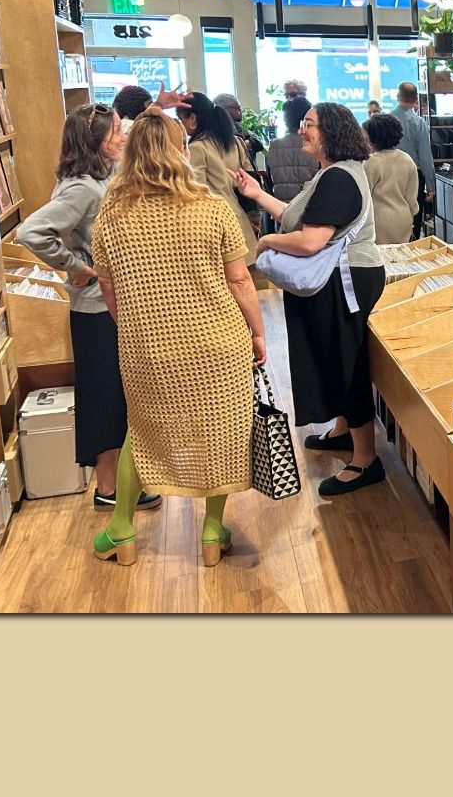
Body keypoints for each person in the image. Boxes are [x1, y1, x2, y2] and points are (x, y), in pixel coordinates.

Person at [88, 108, 266, 568]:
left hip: (147, 348)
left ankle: (121, 528)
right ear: (179, 151)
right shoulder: (211, 207)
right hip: (217, 342)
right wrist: (258, 332)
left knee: (142, 432)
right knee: (220, 430)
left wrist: (134, 325)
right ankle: (211, 531)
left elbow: (108, 284)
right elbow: (240, 280)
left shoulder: (111, 215)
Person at [233, 103, 387, 497]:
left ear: (331, 131)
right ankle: (343, 430)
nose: (302, 130)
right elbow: (297, 217)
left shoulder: (338, 177)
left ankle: (366, 459)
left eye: (310, 124)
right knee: (334, 357)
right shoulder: (331, 173)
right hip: (335, 279)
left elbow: (310, 241)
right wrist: (257, 194)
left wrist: (266, 241)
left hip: (345, 280)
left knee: (346, 362)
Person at [15, 103, 159, 511]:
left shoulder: (98, 177)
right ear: (96, 142)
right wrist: (78, 267)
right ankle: (108, 488)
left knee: (117, 395)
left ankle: (121, 484)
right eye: (115, 133)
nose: (122, 137)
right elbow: (32, 232)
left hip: (109, 305)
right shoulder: (82, 188)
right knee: (104, 396)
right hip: (96, 310)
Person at [175, 92, 259, 261]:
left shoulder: (196, 148)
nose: (181, 125)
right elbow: (249, 178)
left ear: (193, 119)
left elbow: (196, 192)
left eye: (181, 119)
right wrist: (254, 214)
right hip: (240, 219)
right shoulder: (236, 142)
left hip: (213, 225)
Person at [361, 113, 419, 244]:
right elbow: (411, 199)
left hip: (378, 221)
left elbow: (363, 198)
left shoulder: (370, 163)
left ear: (372, 138)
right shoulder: (407, 160)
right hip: (403, 219)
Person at [388, 82, 435, 238]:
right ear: (416, 99)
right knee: (413, 215)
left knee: (390, 212)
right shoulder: (419, 123)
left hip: (388, 174)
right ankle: (411, 246)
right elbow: (425, 157)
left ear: (397, 96)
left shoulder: (386, 120)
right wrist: (430, 186)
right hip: (413, 176)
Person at [266, 97, 317, 206]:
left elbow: (269, 180)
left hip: (281, 207)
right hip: (310, 207)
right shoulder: (315, 144)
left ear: (286, 119)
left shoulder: (274, 145)